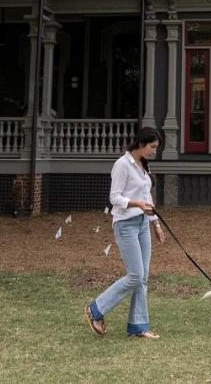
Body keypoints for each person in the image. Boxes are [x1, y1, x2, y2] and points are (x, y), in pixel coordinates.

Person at [85, 127, 166, 339]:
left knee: (143, 277)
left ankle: (138, 326)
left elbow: (146, 195)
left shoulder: (143, 166)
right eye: (152, 147)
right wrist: (136, 204)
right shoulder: (122, 164)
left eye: (156, 148)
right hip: (125, 225)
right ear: (141, 144)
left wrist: (155, 223)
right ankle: (95, 309)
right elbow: (115, 198)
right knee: (135, 276)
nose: (154, 152)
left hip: (142, 224)